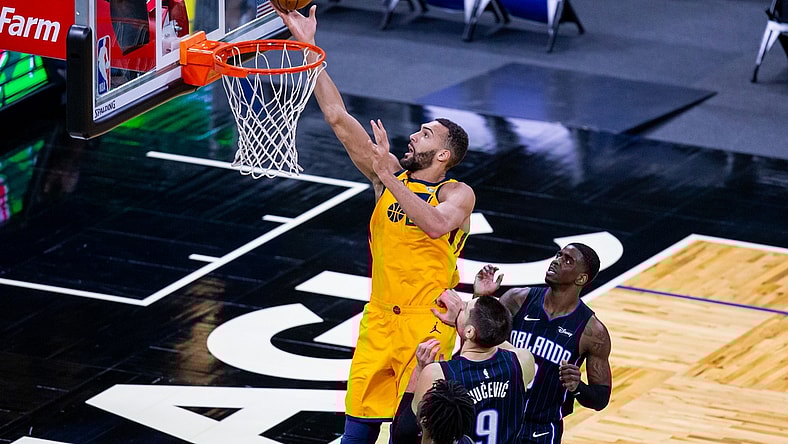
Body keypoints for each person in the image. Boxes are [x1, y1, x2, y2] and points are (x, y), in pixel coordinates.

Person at [274, 6, 476, 444]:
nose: (413, 136)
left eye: (425, 134)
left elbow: (436, 226)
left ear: (443, 155)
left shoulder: (456, 193)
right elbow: (337, 117)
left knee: (411, 432)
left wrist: (385, 176)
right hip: (380, 318)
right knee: (356, 433)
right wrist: (309, 48)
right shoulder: (389, 174)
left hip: (428, 323)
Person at [459, 243, 613, 443]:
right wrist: (481, 297)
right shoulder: (517, 299)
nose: (556, 261)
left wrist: (577, 387)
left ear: (581, 278)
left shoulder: (592, 332)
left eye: (567, 260)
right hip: (494, 417)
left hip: (539, 428)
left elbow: (600, 399)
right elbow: (474, 342)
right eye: (559, 254)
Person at [391, 296, 535, 444]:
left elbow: (402, 434)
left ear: (469, 332)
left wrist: (420, 370)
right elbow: (493, 337)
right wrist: (468, 324)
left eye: (464, 308)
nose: (460, 308)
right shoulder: (522, 361)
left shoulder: (437, 373)